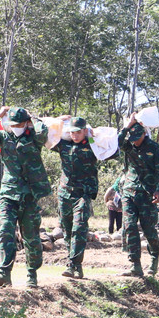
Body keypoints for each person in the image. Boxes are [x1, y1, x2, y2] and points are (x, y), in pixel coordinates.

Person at [0, 106, 51, 287]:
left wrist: (34, 119)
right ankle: (4, 273)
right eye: (12, 124)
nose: (15, 127)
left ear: (26, 123)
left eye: (19, 124)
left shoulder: (34, 137)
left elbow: (44, 133)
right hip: (8, 193)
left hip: (29, 195)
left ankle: (32, 274)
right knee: (5, 230)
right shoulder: (2, 137)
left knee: (31, 237)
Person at [117, 115, 159, 277]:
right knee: (129, 226)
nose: (134, 141)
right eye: (131, 138)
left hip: (147, 195)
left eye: (137, 138)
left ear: (144, 134)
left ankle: (154, 260)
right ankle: (135, 264)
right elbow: (116, 143)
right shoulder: (128, 145)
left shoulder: (154, 148)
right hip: (129, 192)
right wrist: (127, 127)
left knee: (148, 229)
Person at [51, 116, 98, 279]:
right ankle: (74, 263)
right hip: (65, 193)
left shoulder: (94, 146)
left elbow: (114, 147)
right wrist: (58, 121)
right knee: (67, 229)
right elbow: (45, 135)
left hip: (83, 193)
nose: (75, 135)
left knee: (79, 227)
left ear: (85, 131)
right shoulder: (63, 145)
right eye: (72, 132)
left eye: (78, 132)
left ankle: (73, 265)